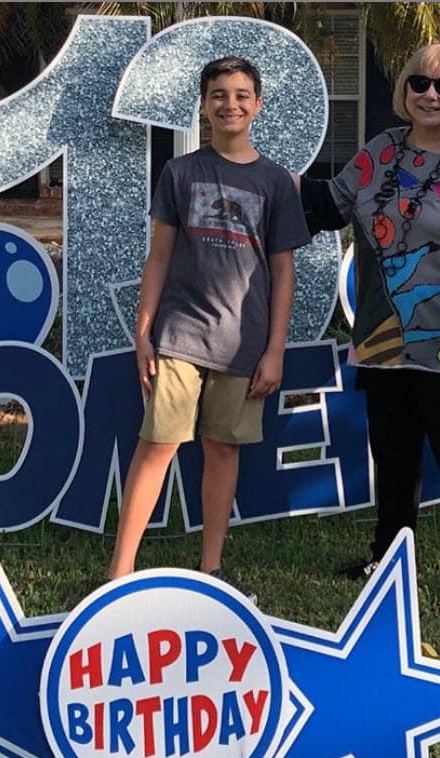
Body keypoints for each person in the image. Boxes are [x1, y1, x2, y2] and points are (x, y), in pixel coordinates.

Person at [298, 43, 440, 617]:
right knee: (392, 462)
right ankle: (387, 560)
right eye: (420, 83)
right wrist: (255, 171)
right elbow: (328, 205)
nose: (431, 95)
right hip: (382, 340)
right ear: (404, 90)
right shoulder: (380, 152)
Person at [107, 57, 310, 585]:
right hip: (180, 335)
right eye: (219, 94)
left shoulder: (276, 183)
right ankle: (119, 571)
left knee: (222, 448)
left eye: (242, 95)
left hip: (243, 343)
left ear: (257, 105)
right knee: (159, 444)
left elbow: (283, 270)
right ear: (203, 104)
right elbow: (158, 257)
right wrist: (144, 333)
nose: (230, 104)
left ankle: (212, 567)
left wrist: (275, 350)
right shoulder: (180, 173)